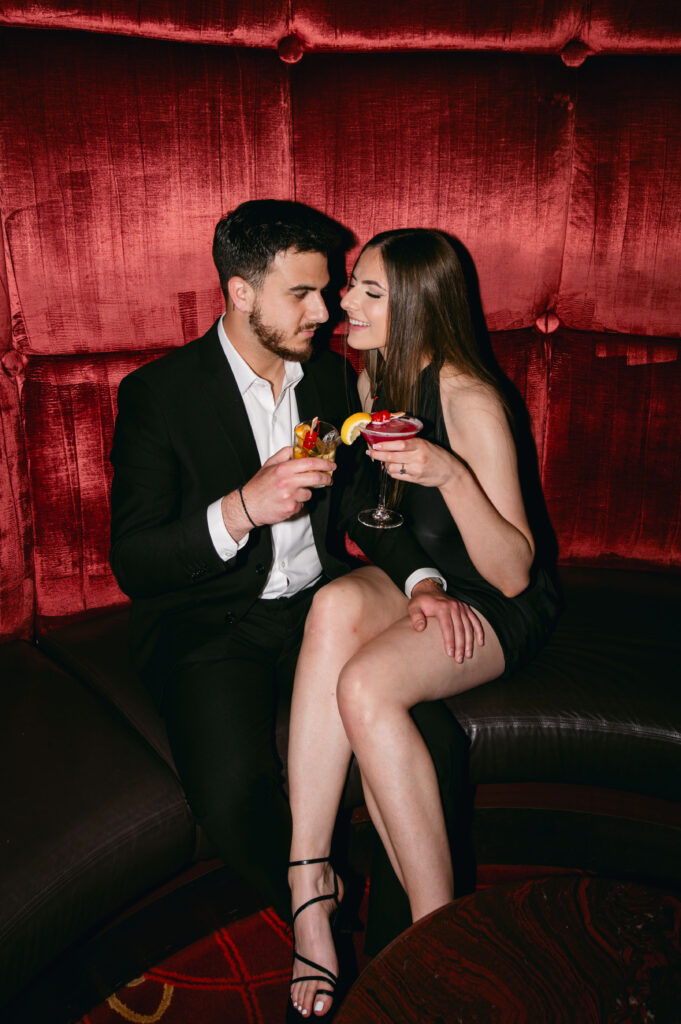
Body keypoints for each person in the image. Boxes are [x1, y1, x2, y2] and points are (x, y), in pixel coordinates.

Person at [108, 202, 471, 945]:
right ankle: (318, 918)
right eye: (301, 294)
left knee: (429, 740)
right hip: (211, 626)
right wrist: (242, 508)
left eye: (326, 290)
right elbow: (135, 562)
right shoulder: (159, 395)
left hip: (320, 612)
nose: (326, 312)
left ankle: (403, 953)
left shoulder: (330, 379)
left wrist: (421, 582)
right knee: (231, 790)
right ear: (240, 293)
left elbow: (364, 505)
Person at [287, 228, 560, 1018]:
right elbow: (373, 516)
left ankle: (441, 943)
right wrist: (423, 582)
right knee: (332, 606)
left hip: (501, 601)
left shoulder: (469, 399)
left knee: (366, 687)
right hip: (436, 582)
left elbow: (513, 571)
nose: (344, 300)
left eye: (369, 292)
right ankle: (310, 881)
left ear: (415, 306)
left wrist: (449, 473)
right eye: (353, 285)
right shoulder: (373, 377)